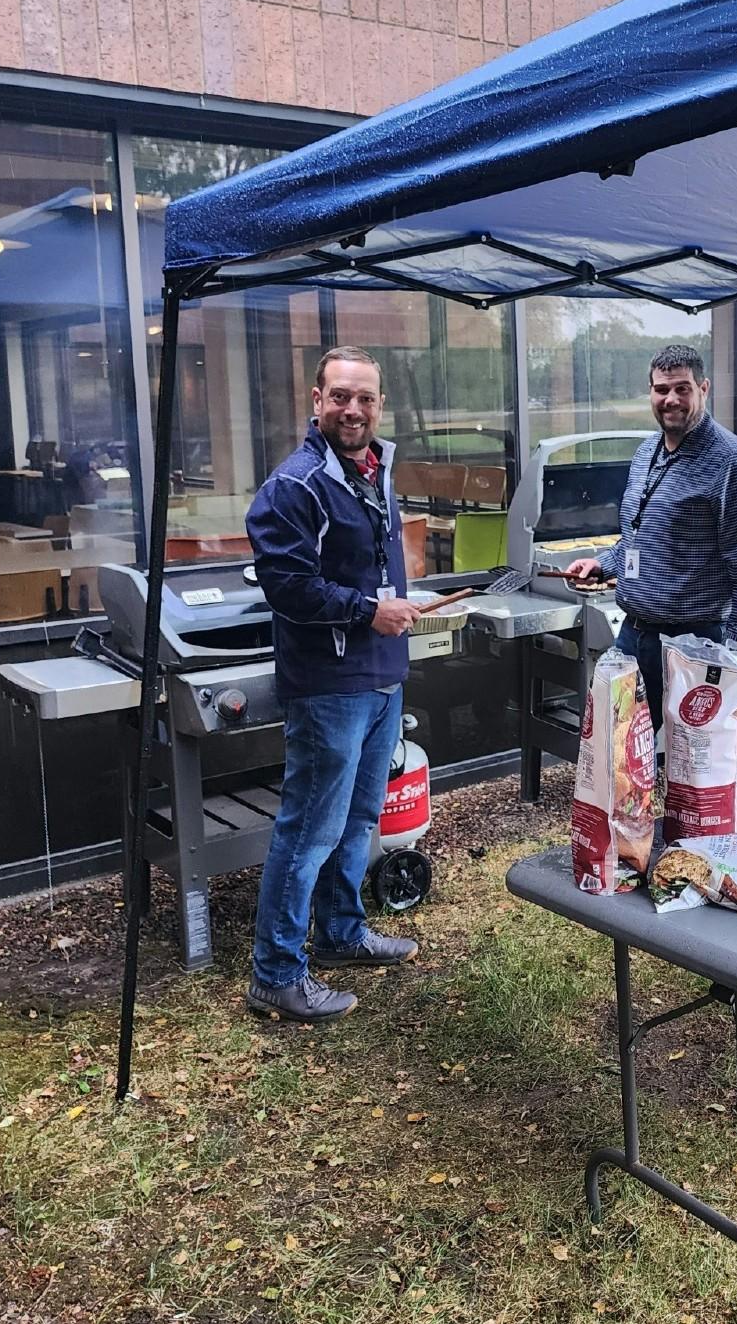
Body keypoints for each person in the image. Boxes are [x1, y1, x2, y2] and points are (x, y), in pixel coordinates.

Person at [244, 346, 423, 1023]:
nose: (354, 409)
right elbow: (286, 586)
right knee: (308, 831)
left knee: (359, 820)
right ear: (315, 401)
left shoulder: (375, 468)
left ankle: (342, 933)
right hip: (329, 684)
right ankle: (276, 975)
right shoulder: (295, 485)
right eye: (341, 396)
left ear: (380, 406)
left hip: (382, 676)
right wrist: (367, 610)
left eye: (366, 398)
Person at [566, 343, 737, 729]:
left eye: (682, 389)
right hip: (635, 635)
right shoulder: (646, 453)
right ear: (651, 392)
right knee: (618, 751)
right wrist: (602, 564)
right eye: (662, 390)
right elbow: (638, 537)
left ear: (704, 388)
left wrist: (732, 661)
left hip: (697, 644)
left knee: (694, 767)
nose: (671, 399)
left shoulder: (730, 463)